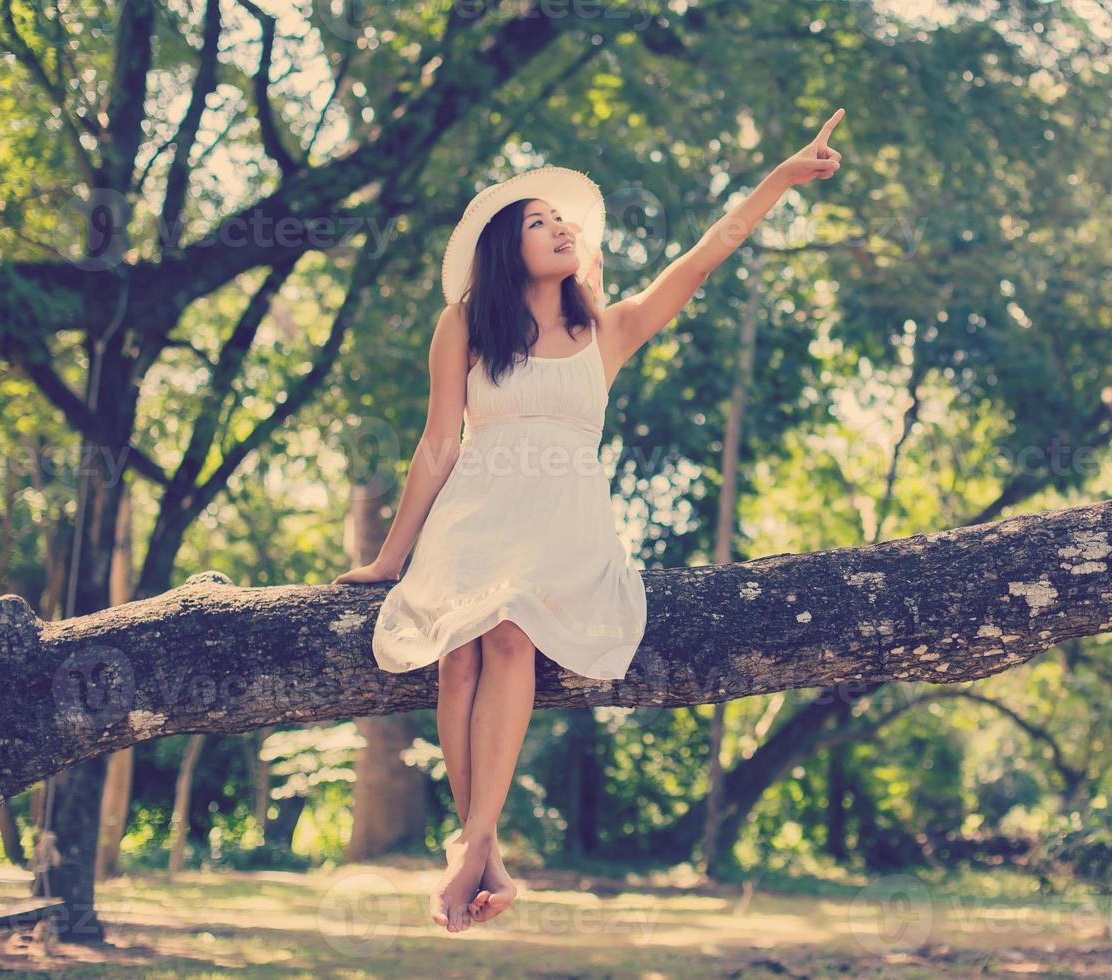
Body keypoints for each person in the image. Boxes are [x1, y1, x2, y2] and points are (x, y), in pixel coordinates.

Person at [334, 109, 845, 934]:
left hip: (562, 525)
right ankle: (482, 853)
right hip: (474, 518)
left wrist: (781, 178)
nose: (559, 228)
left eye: (562, 219)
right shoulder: (465, 324)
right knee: (456, 661)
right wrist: (390, 560)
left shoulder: (609, 327)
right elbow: (436, 445)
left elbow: (708, 251)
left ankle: (471, 850)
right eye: (539, 221)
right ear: (508, 246)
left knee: (509, 639)